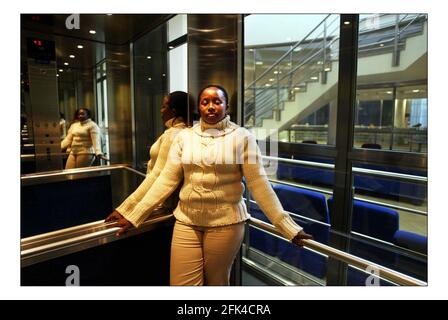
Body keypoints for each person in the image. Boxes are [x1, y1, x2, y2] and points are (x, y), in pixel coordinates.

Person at [106, 85, 312, 286]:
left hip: (226, 224)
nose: (211, 106)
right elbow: (165, 180)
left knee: (216, 284)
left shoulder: (243, 137)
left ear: (226, 107)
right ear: (200, 107)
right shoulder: (185, 137)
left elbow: (259, 184)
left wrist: (286, 226)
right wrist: (134, 215)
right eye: (205, 102)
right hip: (186, 221)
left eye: (217, 101)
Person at [107, 91, 189, 219]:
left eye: (164, 106)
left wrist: (127, 210)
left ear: (174, 111)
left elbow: (158, 175)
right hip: (164, 200)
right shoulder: (181, 131)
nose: (161, 111)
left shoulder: (174, 134)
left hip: (164, 203)